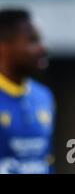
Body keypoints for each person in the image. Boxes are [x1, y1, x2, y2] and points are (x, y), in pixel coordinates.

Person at [0, 9, 55, 174]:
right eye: (32, 41)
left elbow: (47, 161)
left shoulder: (44, 97)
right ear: (4, 47)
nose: (43, 48)